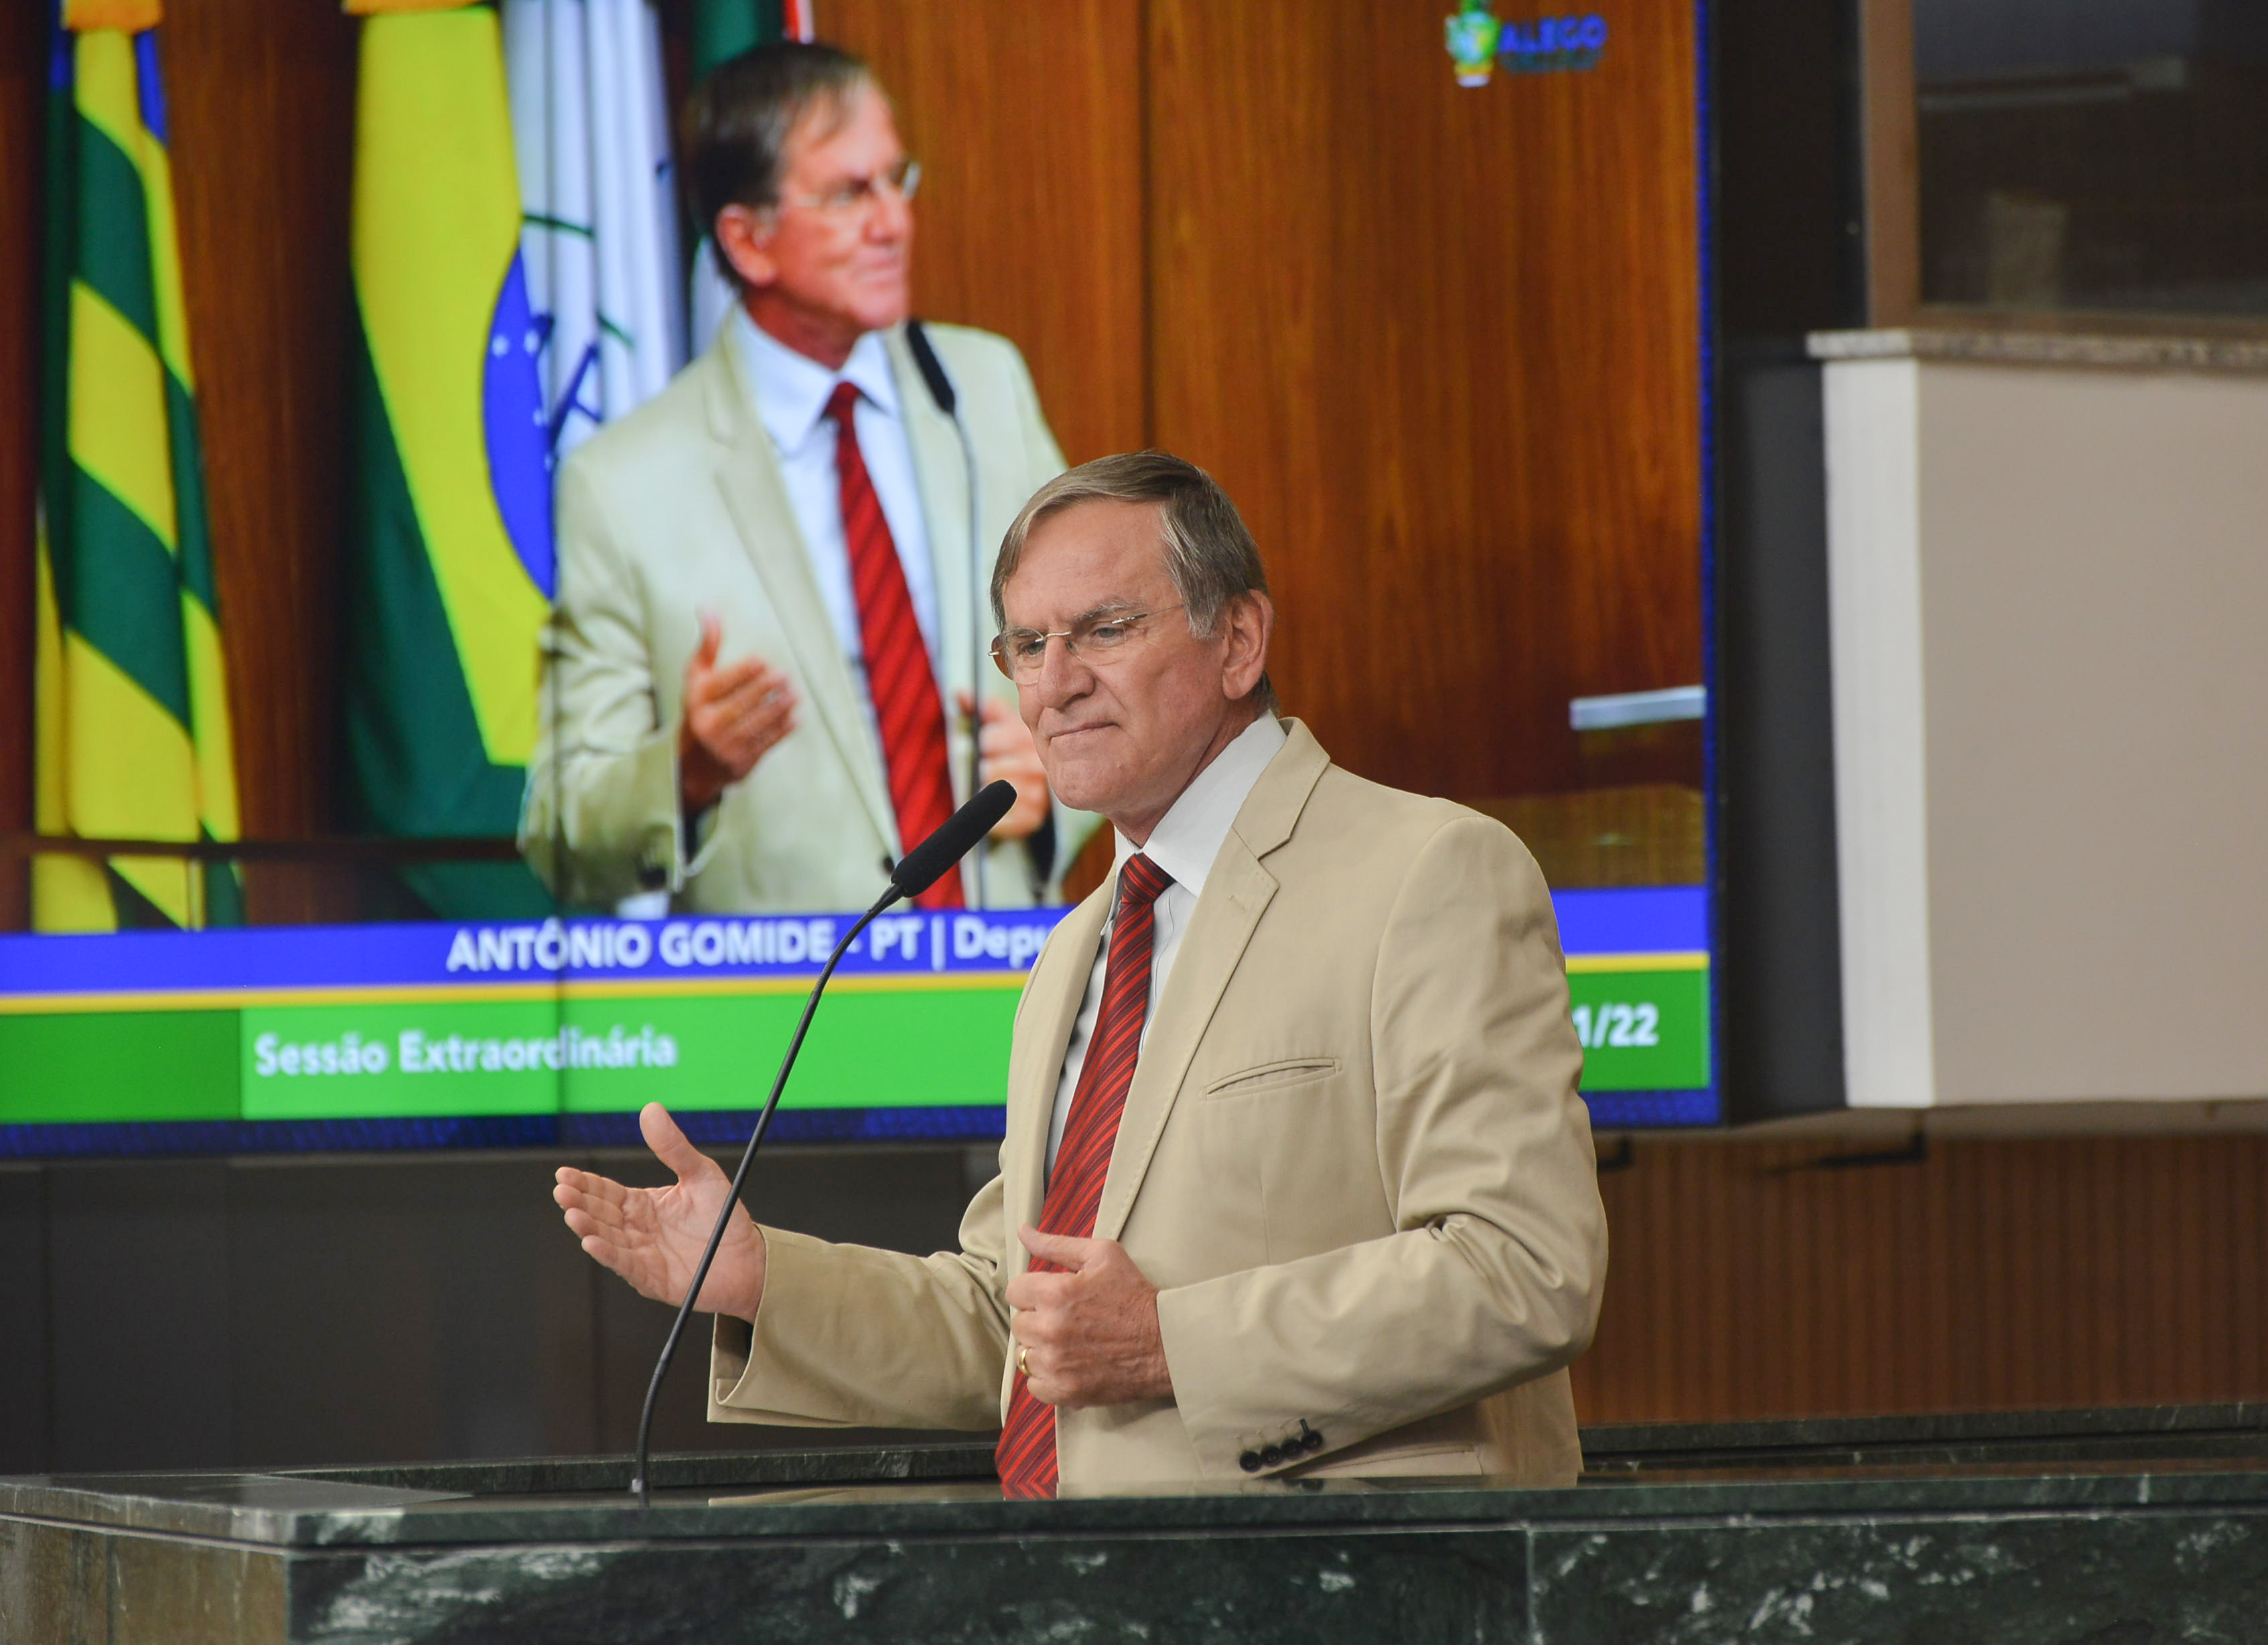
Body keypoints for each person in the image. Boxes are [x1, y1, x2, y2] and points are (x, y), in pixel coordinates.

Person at [552, 453, 1607, 1492]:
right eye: (1026, 645)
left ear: (1240, 640)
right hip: (1080, 1572)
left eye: (1106, 629)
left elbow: (1524, 1267)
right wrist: (759, 1280)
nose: (1053, 685)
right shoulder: (1073, 952)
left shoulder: (1427, 873)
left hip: (1345, 1571)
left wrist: (1169, 1345)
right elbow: (1022, 1326)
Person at [520, 42, 1082, 914]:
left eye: (897, 180)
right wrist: (685, 772)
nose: (894, 222)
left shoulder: (983, 389)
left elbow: (1111, 663)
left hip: (1009, 970)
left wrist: (1058, 777)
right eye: (850, 194)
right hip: (793, 991)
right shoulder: (621, 484)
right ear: (748, 241)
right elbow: (560, 829)